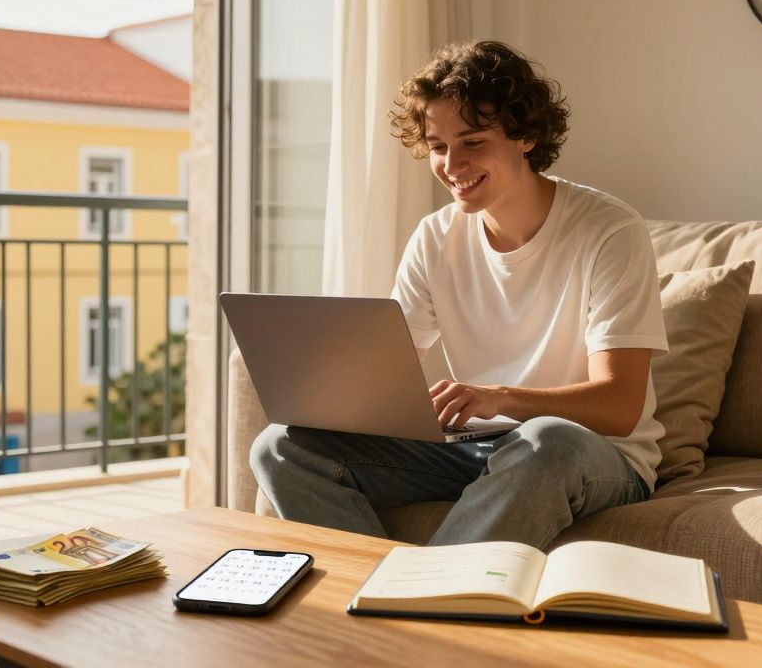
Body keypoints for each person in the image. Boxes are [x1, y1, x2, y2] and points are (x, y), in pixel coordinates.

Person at [249, 41, 669, 550]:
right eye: (438, 146)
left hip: (591, 455)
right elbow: (389, 367)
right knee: (280, 447)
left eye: (472, 142)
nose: (452, 164)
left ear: (525, 137)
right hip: (476, 448)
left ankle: (420, 590)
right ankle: (372, 589)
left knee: (546, 441)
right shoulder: (435, 237)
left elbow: (620, 405)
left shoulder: (609, 230)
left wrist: (497, 397)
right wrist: (330, 389)